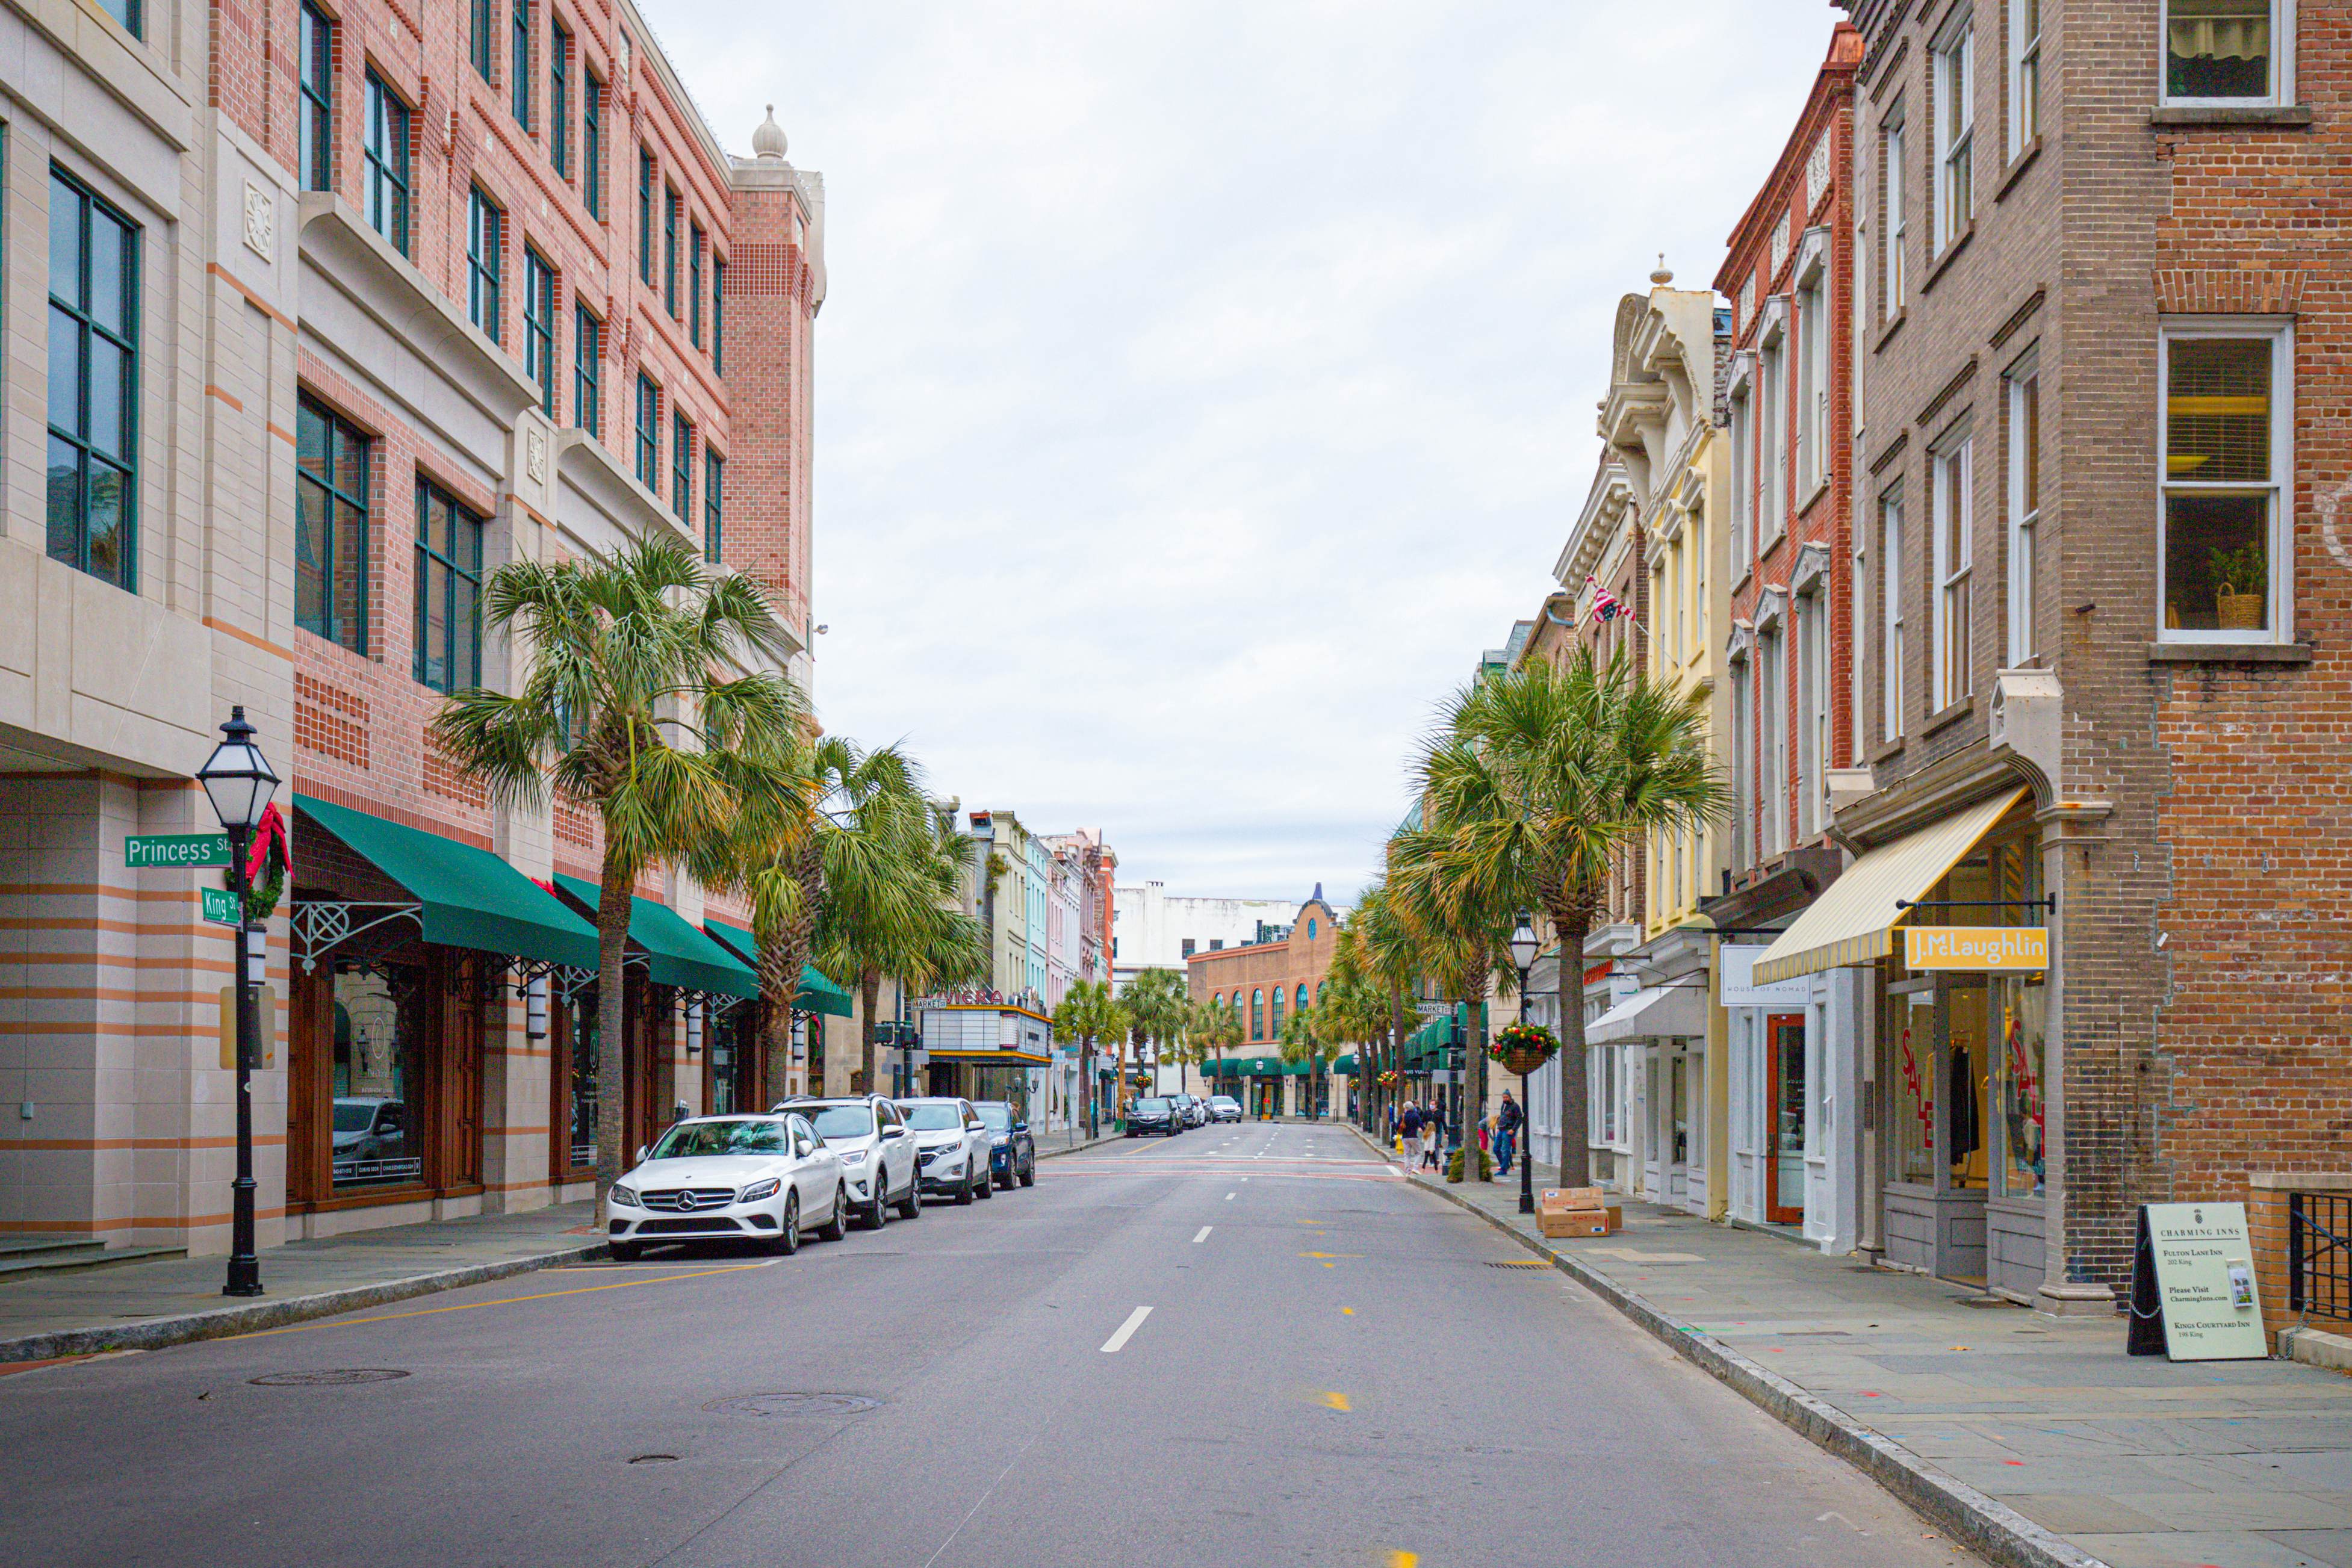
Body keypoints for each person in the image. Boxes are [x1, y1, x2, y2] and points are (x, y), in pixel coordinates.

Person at [1495, 1089, 1522, 1179]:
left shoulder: (1515, 1106)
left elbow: (1519, 1119)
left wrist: (1513, 1130)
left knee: (1505, 1150)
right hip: (1502, 1129)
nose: (1505, 1099)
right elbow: (1502, 1117)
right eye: (1504, 1097)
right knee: (1496, 1148)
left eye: (1506, 1097)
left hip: (1508, 1130)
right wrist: (1499, 1127)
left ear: (1510, 1097)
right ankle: (1505, 1165)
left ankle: (1504, 1169)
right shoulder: (1504, 1105)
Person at [1399, 1101, 1423, 1170]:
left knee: (1407, 1155)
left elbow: (1397, 1126)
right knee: (1418, 1153)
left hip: (1405, 1137)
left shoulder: (1403, 1116)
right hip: (1414, 1136)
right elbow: (1421, 1125)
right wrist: (1426, 1131)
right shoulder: (1416, 1115)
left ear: (1406, 1108)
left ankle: (1407, 1170)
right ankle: (1415, 1168)